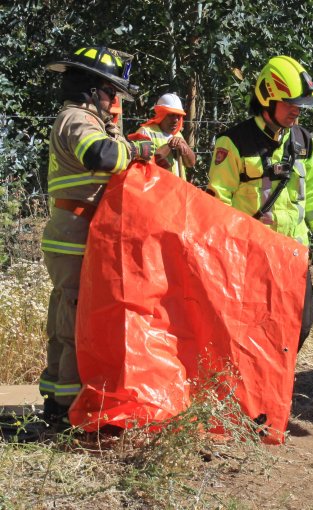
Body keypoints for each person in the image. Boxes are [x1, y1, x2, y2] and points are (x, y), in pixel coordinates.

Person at [41, 46, 154, 428]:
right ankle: (70, 412)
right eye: (110, 93)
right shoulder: (76, 118)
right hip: (75, 232)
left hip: (73, 230)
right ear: (91, 90)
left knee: (65, 318)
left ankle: (57, 402)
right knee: (76, 324)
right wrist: (135, 147)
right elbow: (102, 157)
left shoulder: (79, 118)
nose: (113, 102)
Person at [207, 55, 313, 348]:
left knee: (301, 326)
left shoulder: (304, 141)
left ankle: (278, 384)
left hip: (294, 253)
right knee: (255, 330)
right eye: (290, 104)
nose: (297, 112)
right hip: (252, 256)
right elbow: (218, 204)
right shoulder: (233, 142)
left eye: (300, 105)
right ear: (267, 99)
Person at [132, 93, 196, 180]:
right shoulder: (145, 132)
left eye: (178, 115)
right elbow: (148, 163)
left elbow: (191, 163)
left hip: (177, 190)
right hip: (156, 190)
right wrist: (169, 145)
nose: (175, 120)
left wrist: (185, 147)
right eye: (171, 115)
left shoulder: (178, 134)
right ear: (161, 114)